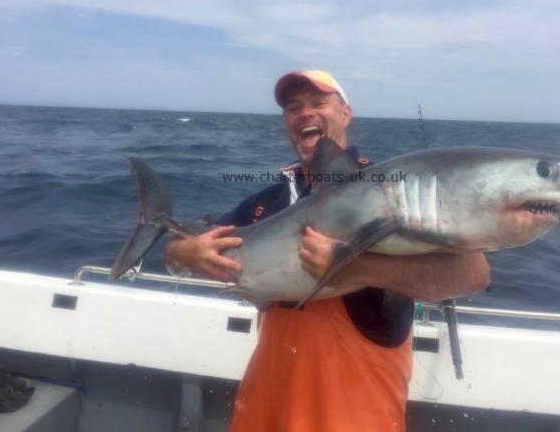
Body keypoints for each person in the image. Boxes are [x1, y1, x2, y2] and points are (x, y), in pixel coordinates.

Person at [164, 70, 490, 432]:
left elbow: (473, 275)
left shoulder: (392, 194)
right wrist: (186, 254)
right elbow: (178, 251)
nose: (305, 113)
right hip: (265, 401)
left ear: (345, 114)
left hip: (353, 412)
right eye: (293, 108)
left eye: (319, 103)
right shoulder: (267, 203)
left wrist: (357, 268)